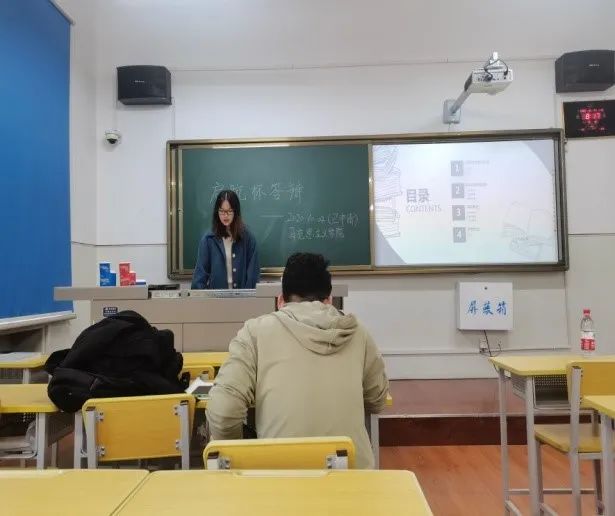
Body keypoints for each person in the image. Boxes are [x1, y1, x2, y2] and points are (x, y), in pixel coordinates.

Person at [206, 252, 389, 468]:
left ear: (280, 301)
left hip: (280, 478)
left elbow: (223, 411)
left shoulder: (255, 332)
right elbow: (378, 400)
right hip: (352, 478)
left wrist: (241, 455)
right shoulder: (359, 334)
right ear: (329, 300)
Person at [191, 190, 260, 289]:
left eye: (229, 211)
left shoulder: (248, 239)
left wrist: (247, 298)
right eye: (222, 211)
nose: (225, 215)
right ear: (217, 212)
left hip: (242, 297)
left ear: (236, 212)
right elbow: (199, 278)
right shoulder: (208, 240)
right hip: (216, 298)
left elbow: (253, 277)